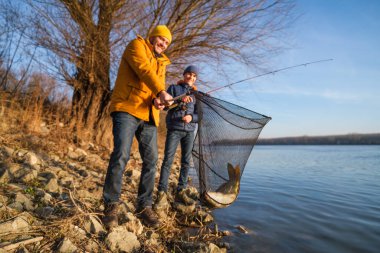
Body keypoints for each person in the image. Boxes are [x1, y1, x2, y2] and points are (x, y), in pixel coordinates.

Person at [102, 25, 174, 229]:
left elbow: (155, 87)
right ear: (153, 37)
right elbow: (143, 70)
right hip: (127, 108)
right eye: (161, 39)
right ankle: (110, 206)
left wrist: (158, 101)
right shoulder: (136, 45)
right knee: (121, 154)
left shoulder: (163, 62)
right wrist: (161, 91)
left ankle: (144, 207)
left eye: (167, 42)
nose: (163, 44)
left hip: (149, 115)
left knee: (152, 161)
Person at [154, 65, 199, 210]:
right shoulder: (173, 88)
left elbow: (200, 115)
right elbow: (165, 106)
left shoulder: (196, 95)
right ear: (184, 74)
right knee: (168, 160)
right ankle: (161, 192)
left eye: (194, 76)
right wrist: (180, 100)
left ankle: (181, 190)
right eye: (189, 74)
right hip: (174, 129)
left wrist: (191, 117)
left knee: (186, 162)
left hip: (189, 131)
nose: (191, 77)